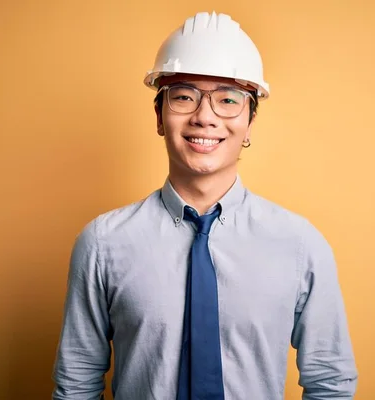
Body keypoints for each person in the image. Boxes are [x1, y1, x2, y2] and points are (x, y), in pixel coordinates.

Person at [52, 11, 358, 400]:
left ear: (250, 124)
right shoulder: (102, 243)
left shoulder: (300, 245)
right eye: (184, 97)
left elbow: (329, 382)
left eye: (228, 100)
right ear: (160, 117)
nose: (204, 117)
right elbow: (77, 382)